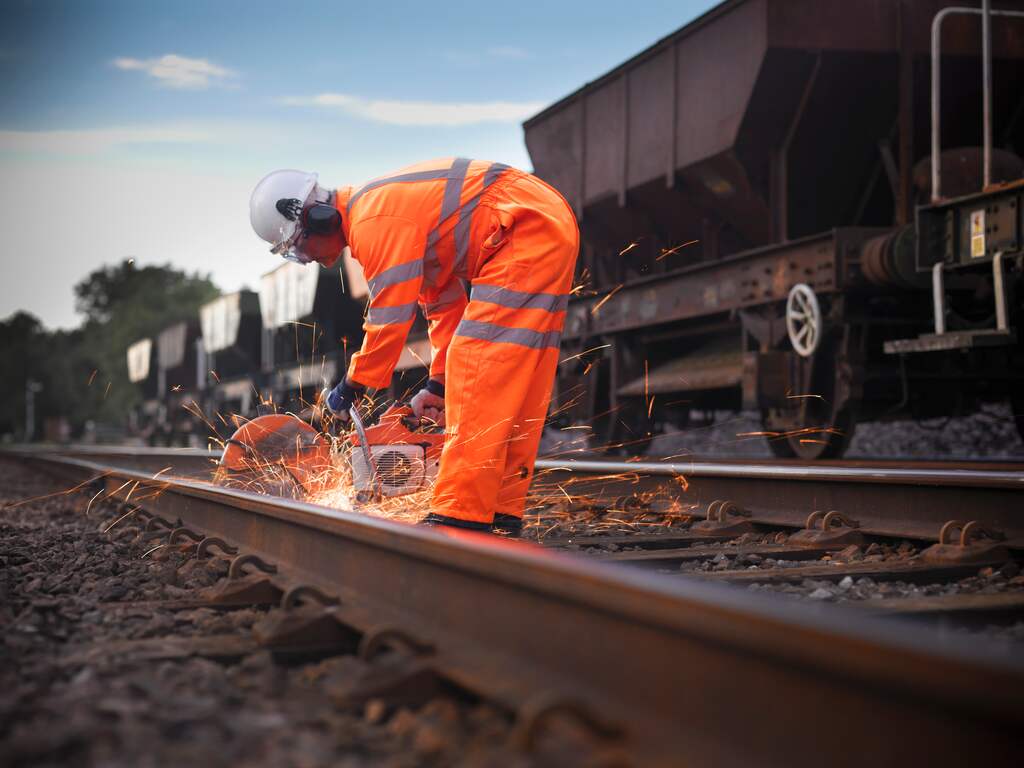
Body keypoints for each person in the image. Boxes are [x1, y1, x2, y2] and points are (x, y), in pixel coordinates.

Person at [249, 158, 579, 535]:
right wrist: (438, 386)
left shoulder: (373, 222)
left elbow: (390, 318)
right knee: (517, 372)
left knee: (478, 364)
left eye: (299, 247)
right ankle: (500, 510)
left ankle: (461, 515)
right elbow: (442, 305)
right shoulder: (384, 215)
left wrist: (352, 385)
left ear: (318, 218)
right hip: (539, 221)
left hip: (522, 223)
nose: (309, 261)